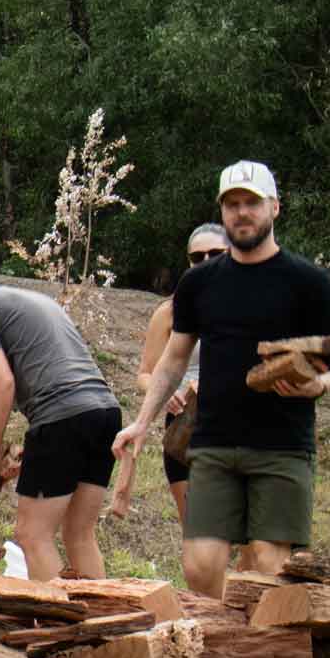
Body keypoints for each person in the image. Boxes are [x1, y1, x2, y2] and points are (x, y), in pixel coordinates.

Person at [114, 161, 330, 599]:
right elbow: (173, 359)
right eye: (232, 204)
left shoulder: (310, 283)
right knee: (200, 566)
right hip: (213, 443)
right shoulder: (199, 283)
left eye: (251, 203)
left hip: (282, 445)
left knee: (271, 565)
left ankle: (261, 639)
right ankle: (222, 634)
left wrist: (315, 386)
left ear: (274, 207)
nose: (241, 212)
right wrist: (141, 422)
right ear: (222, 211)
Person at [0, 257, 121, 582]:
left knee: (32, 535)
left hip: (61, 416)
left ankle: (59, 615)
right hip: (104, 413)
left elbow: (1, 382)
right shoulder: (36, 300)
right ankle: (105, 611)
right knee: (79, 534)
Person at [111, 223, 228, 524]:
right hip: (183, 426)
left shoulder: (248, 306)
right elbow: (145, 374)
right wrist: (168, 394)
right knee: (196, 527)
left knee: (237, 530)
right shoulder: (170, 312)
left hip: (233, 424)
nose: (206, 261)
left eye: (215, 254)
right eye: (197, 257)